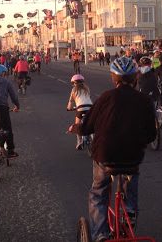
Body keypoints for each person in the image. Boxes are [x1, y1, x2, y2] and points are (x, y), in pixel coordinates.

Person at [68, 57, 156, 242]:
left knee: (98, 193)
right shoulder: (144, 100)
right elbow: (151, 135)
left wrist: (77, 128)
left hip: (105, 156)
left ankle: (100, 235)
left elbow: (87, 127)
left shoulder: (105, 98)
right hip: (132, 157)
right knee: (131, 177)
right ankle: (130, 211)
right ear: (135, 78)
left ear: (113, 78)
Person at [67, 74, 93, 150]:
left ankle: (79, 141)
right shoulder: (87, 88)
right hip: (90, 108)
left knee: (77, 125)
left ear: (74, 83)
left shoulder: (74, 90)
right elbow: (89, 98)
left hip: (80, 109)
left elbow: (70, 103)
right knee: (92, 122)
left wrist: (69, 108)